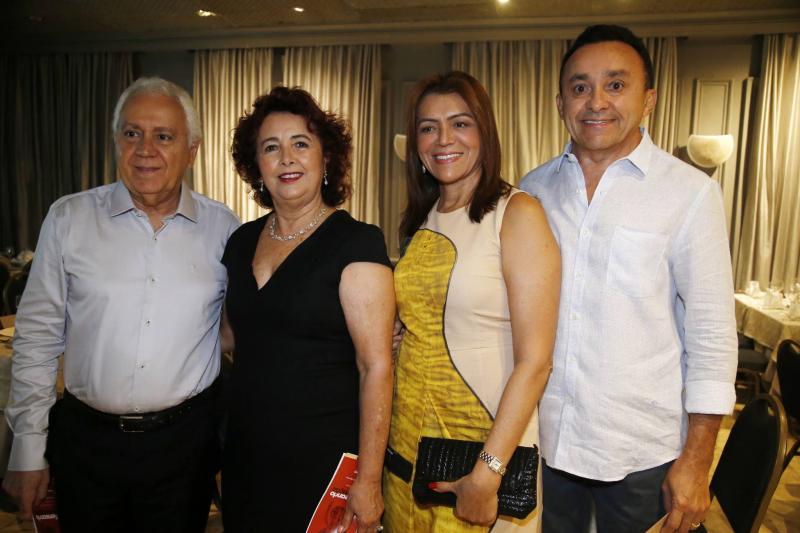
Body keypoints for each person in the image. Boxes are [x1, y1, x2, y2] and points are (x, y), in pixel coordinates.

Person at [519, 25, 737, 533]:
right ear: (560, 103)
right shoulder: (532, 191)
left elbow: (711, 335)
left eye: (615, 85)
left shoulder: (690, 193)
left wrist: (697, 459)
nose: (596, 101)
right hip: (546, 441)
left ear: (649, 100)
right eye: (580, 87)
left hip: (643, 452)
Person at [3, 76, 240, 532]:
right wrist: (27, 449)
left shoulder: (224, 229)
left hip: (184, 449)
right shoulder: (69, 218)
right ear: (116, 142)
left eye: (164, 136)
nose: (145, 149)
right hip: (86, 446)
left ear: (191, 150)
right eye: (132, 133)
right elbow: (36, 338)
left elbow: (239, 327)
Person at [383, 71, 560, 532]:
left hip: (479, 453)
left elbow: (536, 361)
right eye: (428, 127)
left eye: (460, 123)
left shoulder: (517, 213)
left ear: (485, 132)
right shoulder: (422, 218)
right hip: (408, 451)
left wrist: (488, 472)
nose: (444, 139)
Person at [222, 86, 394, 532]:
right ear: (256, 166)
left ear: (326, 158)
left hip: (323, 463)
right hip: (246, 457)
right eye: (271, 147)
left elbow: (375, 367)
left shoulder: (356, 242)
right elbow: (232, 338)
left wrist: (368, 479)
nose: (287, 158)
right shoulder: (240, 242)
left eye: (301, 143)